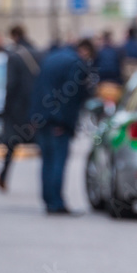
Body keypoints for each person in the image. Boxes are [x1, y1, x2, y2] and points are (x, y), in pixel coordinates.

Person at [30, 38, 95, 214]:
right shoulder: (75, 63)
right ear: (85, 50)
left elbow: (38, 88)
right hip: (57, 121)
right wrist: (62, 121)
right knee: (58, 161)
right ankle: (56, 203)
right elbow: (71, 96)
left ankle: (48, 200)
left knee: (47, 161)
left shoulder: (51, 58)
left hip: (42, 117)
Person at [0, 25, 42, 192]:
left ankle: (3, 176)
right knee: (42, 143)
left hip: (18, 107)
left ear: (13, 36)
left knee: (12, 142)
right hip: (37, 105)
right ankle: (47, 185)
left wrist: (6, 107)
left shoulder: (14, 56)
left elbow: (10, 85)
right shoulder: (37, 52)